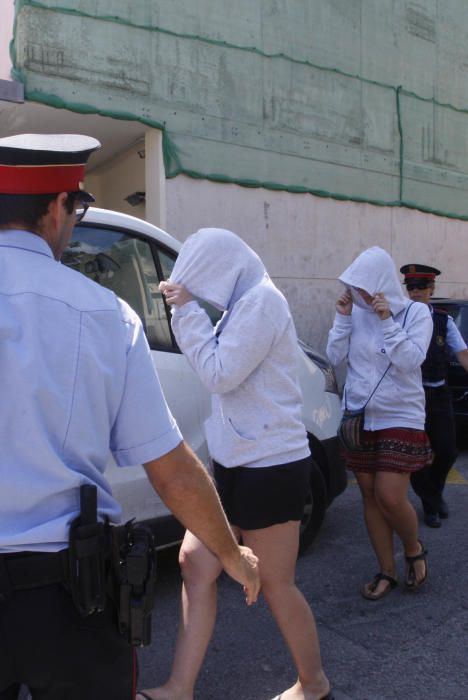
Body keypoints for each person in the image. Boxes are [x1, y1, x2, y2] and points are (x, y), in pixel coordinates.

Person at [0, 134, 260, 700]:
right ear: (55, 210)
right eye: (76, 208)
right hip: (68, 597)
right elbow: (170, 469)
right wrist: (229, 552)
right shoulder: (102, 313)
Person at [138, 228, 333, 700]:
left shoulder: (262, 302)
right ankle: (180, 688)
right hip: (235, 464)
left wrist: (185, 311)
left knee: (276, 585)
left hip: (269, 466)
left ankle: (314, 684)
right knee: (194, 563)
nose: (200, 295)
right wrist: (190, 311)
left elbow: (220, 374)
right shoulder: (244, 303)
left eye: (201, 285)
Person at [326, 247, 433, 601]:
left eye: (367, 286)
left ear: (383, 283)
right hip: (360, 415)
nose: (362, 293)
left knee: (389, 495)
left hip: (401, 413)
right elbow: (334, 357)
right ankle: (386, 570)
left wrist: (387, 321)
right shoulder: (353, 313)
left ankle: (413, 547)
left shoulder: (415, 312)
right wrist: (343, 317)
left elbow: (410, 360)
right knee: (370, 496)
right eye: (356, 286)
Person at [400, 264, 468, 528]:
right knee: (415, 454)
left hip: (438, 393)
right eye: (411, 287)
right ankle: (430, 504)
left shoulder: (442, 319)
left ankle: (433, 493)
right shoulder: (397, 317)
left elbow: (462, 353)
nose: (415, 292)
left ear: (432, 289)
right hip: (408, 395)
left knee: (447, 450)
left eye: (421, 287)